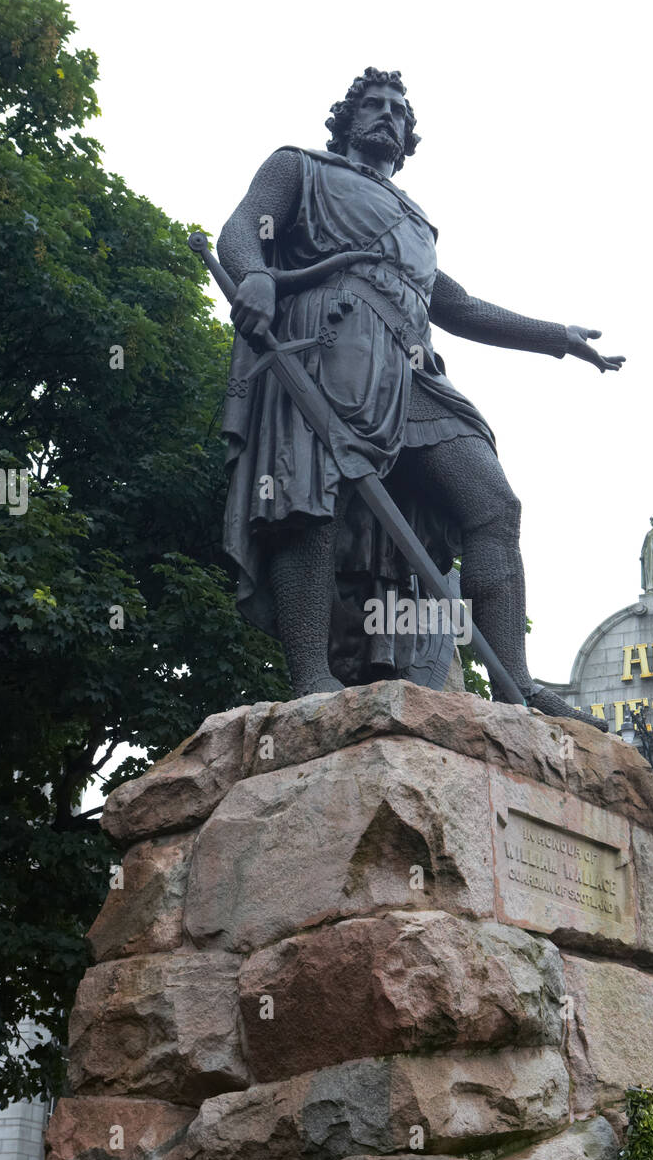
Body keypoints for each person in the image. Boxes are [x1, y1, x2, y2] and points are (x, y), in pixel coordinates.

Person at [217, 68, 623, 722]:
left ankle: (516, 683)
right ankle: (311, 677)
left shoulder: (414, 222)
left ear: (408, 137)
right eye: (372, 105)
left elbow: (455, 305)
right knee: (312, 501)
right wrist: (256, 279)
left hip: (410, 370)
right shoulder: (300, 167)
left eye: (397, 111)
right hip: (329, 339)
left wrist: (554, 335)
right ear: (346, 119)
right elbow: (241, 231)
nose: (385, 115)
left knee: (492, 503)